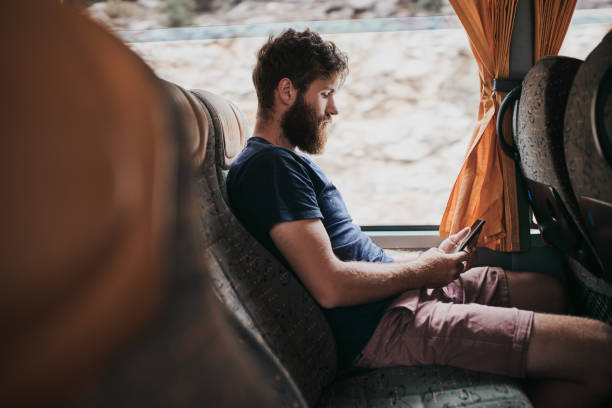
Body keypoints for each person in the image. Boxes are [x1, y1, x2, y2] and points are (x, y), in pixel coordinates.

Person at [226, 29, 612, 407]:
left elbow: (347, 258)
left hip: (397, 297)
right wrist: (423, 271)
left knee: (549, 291)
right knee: (601, 350)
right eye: (325, 94)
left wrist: (427, 261)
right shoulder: (269, 169)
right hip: (380, 327)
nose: (334, 109)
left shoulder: (280, 163)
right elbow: (331, 285)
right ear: (287, 91)